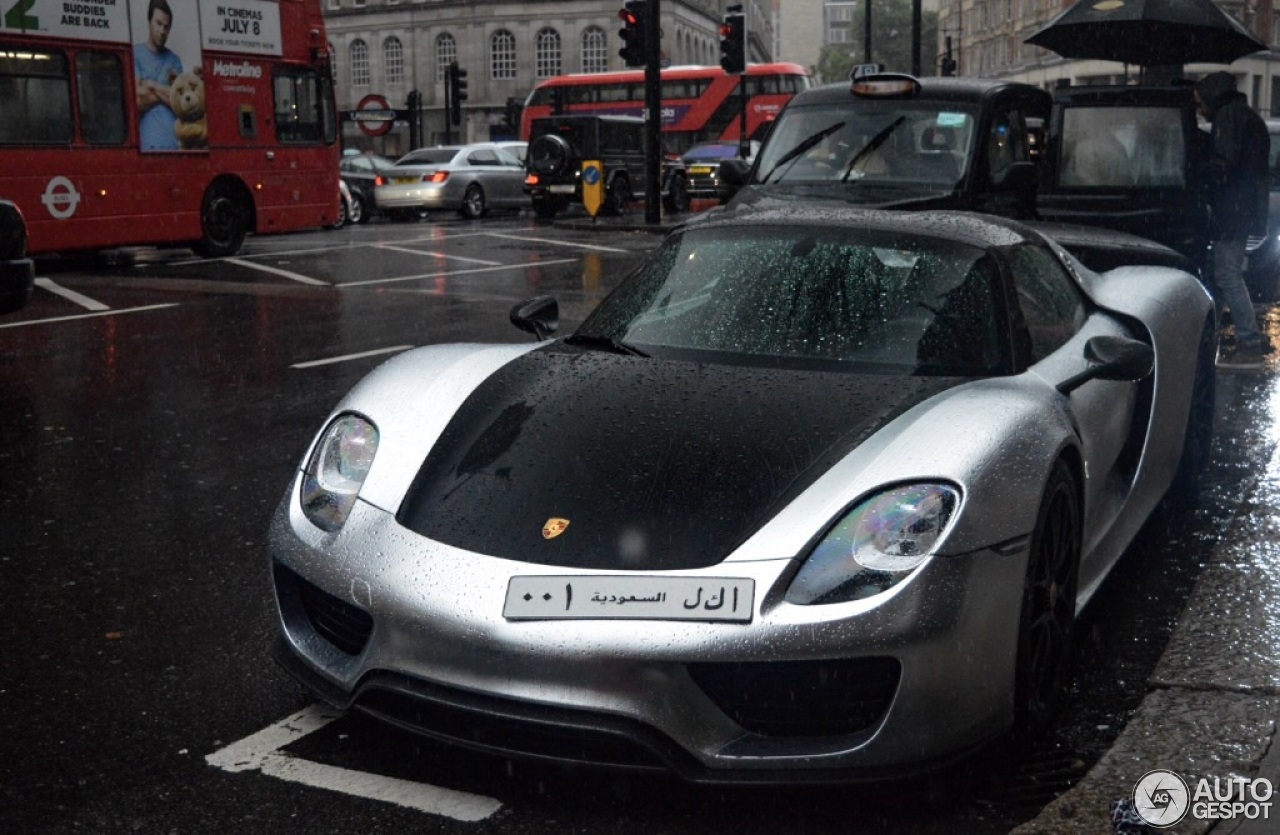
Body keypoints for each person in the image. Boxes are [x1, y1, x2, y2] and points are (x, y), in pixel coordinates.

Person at [1195, 71, 1271, 370]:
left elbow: (1222, 165)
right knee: (1227, 273)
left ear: (1213, 96)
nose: (1201, 110)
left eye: (1201, 102)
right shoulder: (1246, 116)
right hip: (1243, 208)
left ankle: (1249, 344)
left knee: (1227, 274)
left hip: (1232, 209)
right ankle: (1236, 339)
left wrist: (1197, 172)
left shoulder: (1228, 118)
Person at [134, 0, 183, 151]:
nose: (162, 30)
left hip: (173, 147)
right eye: (158, 23)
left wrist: (150, 85)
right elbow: (137, 100)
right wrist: (167, 92)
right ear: (149, 22)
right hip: (146, 148)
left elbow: (180, 102)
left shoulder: (174, 60)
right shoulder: (135, 54)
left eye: (166, 27)